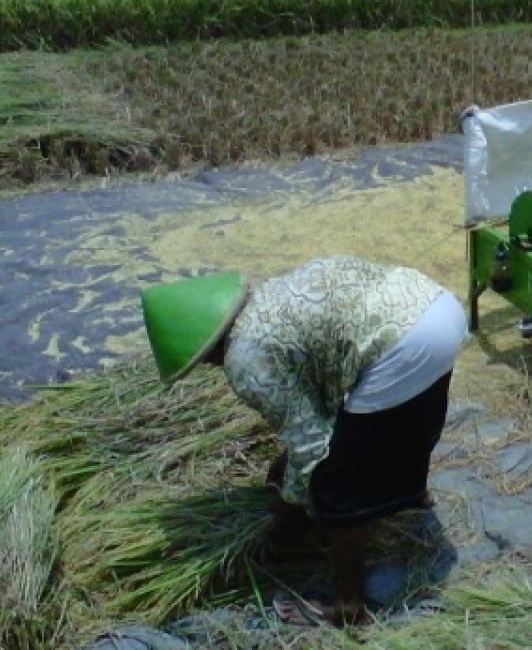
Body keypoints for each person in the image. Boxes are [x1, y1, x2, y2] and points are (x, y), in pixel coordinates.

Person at [140, 255, 467, 625]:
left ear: (204, 350)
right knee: (403, 421)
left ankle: (348, 604)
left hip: (403, 344)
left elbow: (311, 445)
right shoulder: (268, 297)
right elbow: (319, 397)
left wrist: (289, 508)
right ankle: (412, 495)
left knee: (335, 484)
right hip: (437, 308)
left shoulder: (244, 357)